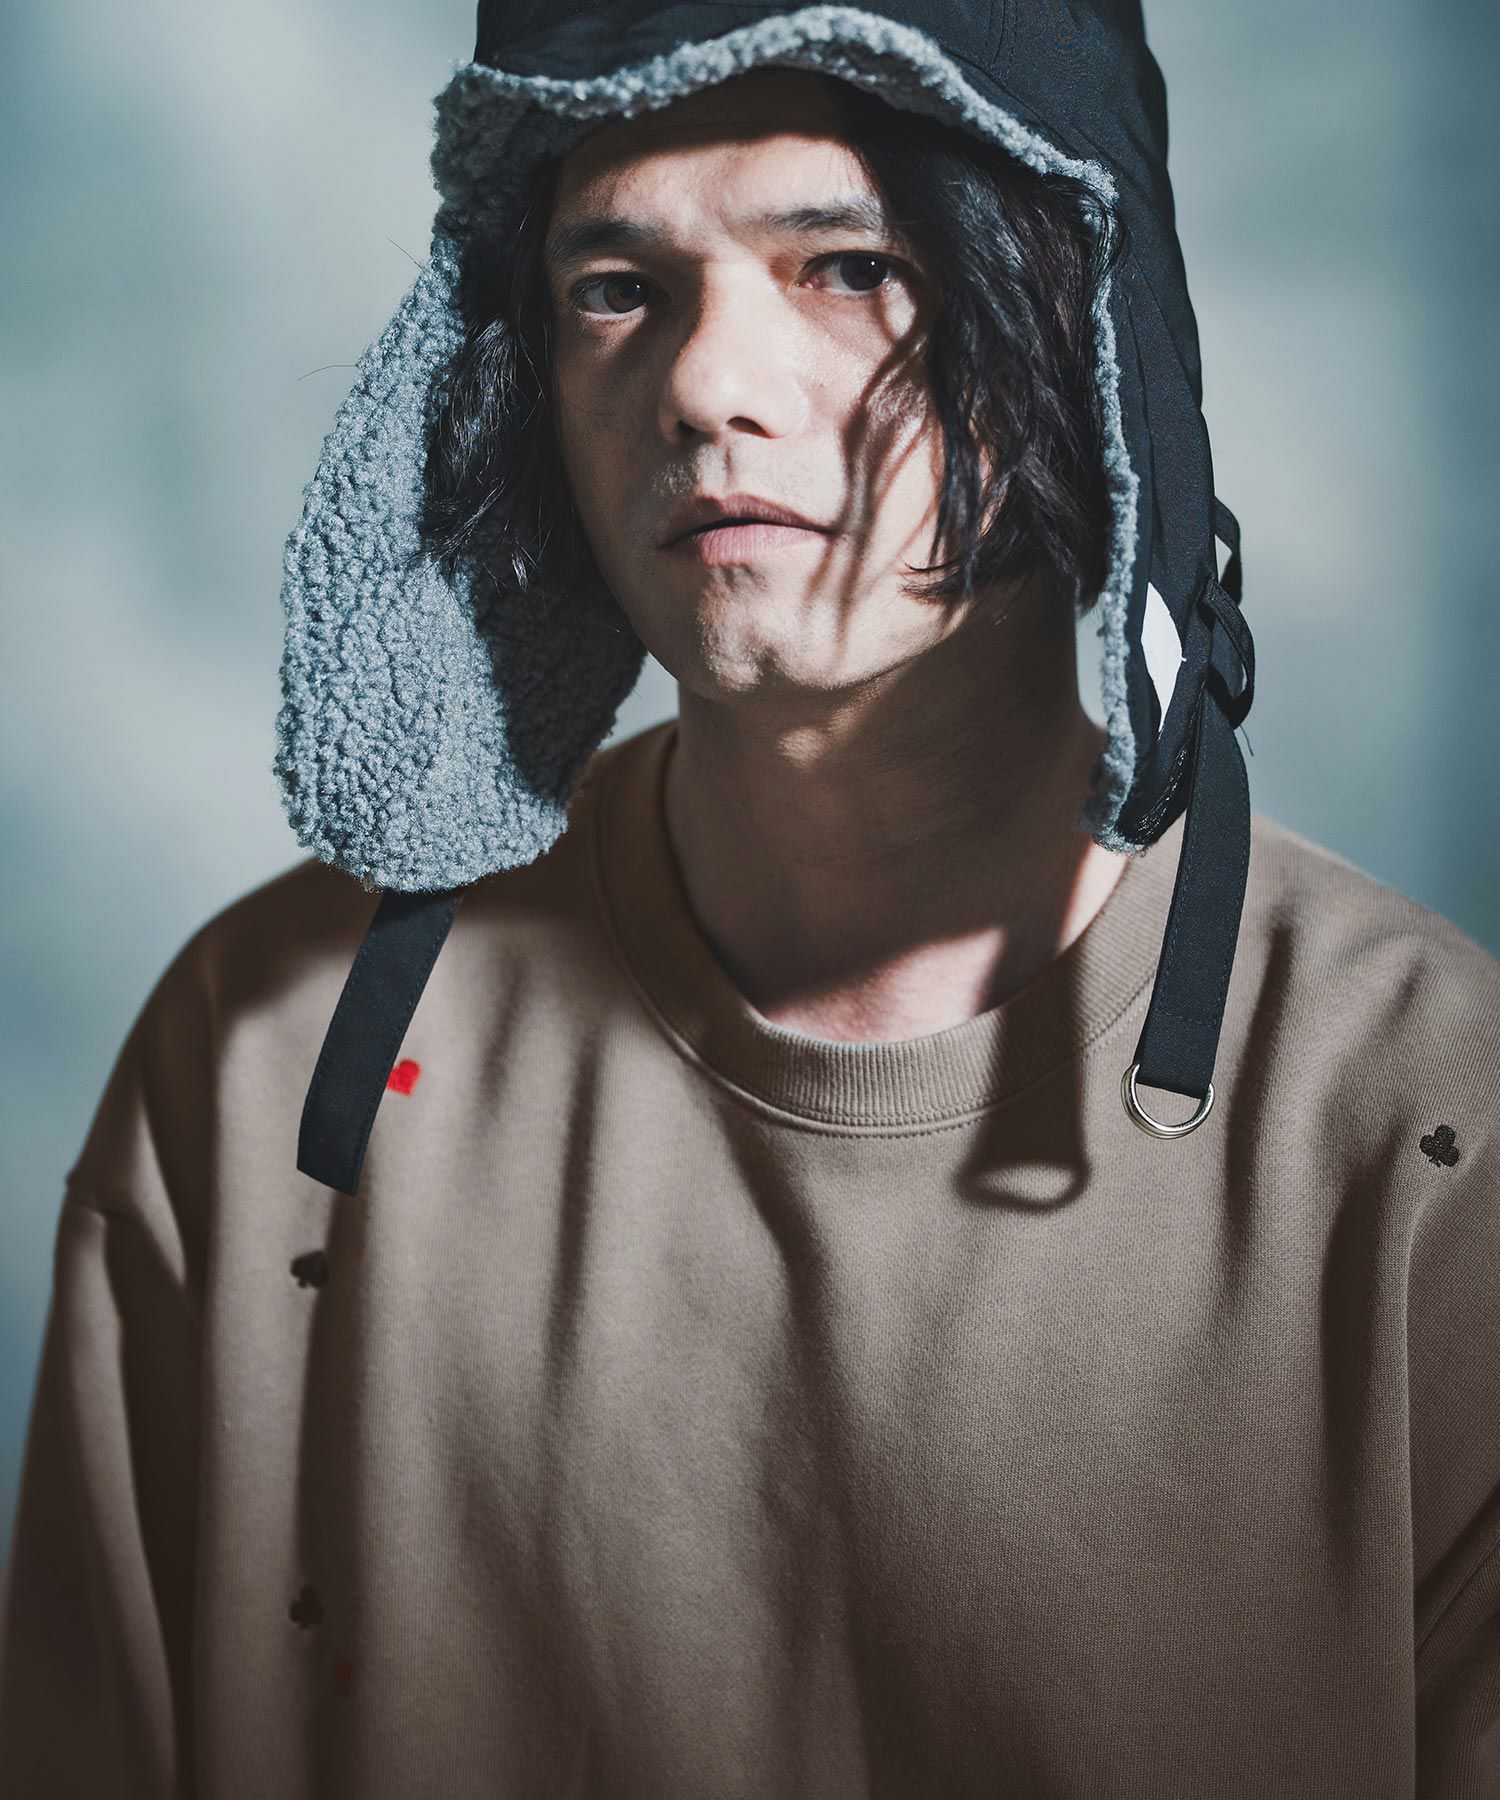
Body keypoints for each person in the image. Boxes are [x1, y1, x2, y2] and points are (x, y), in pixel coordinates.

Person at [2, 4, 1497, 1794]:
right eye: (617, 288)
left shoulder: (1432, 1145)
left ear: (1085, 328)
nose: (708, 384)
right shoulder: (267, 1067)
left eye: (850, 267)